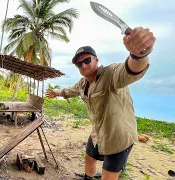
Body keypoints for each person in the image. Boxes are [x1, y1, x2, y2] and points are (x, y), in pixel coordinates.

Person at [46, 27, 156, 180]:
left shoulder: (110, 74)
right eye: (79, 64)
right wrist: (56, 93)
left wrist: (138, 55)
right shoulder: (83, 83)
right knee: (88, 158)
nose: (83, 65)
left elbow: (130, 70)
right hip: (98, 133)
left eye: (87, 60)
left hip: (119, 137)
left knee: (108, 176)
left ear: (96, 60)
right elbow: (70, 90)